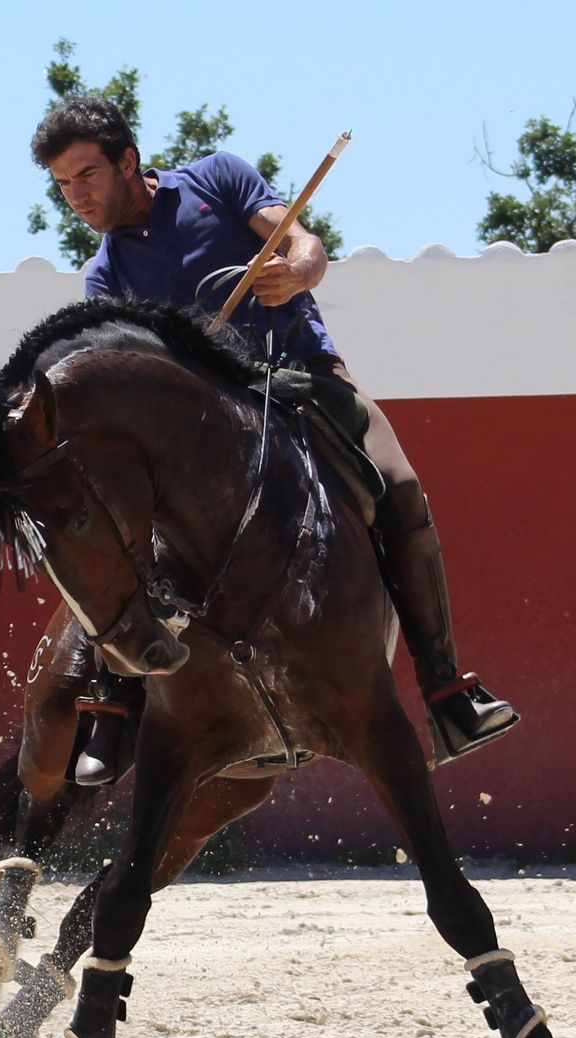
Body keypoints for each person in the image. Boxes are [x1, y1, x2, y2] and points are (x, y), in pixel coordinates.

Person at [30, 94, 518, 778]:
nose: (75, 195)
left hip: (304, 377)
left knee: (399, 486)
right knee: (114, 533)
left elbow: (301, 244)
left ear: (128, 161)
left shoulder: (217, 178)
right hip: (211, 430)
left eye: (86, 175)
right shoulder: (106, 278)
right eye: (63, 184)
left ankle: (446, 690)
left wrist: (298, 274)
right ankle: (113, 709)